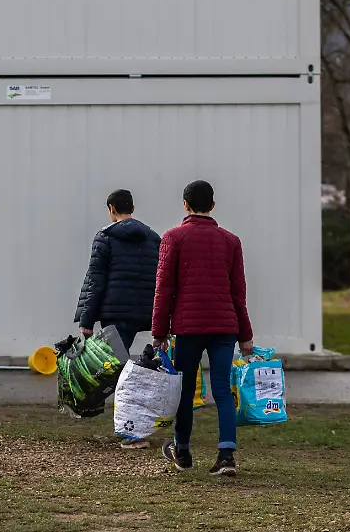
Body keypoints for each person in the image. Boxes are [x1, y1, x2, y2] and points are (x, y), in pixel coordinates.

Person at [152, 180, 253, 476]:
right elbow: (238, 293)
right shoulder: (231, 241)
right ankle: (226, 456)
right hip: (224, 327)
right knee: (222, 390)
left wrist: (159, 332)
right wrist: (245, 335)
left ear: (185, 204)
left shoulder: (173, 237)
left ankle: (181, 450)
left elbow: (164, 288)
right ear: (213, 204)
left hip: (188, 327)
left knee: (184, 391)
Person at [75, 189, 161, 449]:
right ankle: (132, 428)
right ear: (132, 207)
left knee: (118, 373)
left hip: (114, 313)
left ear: (112, 208)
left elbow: (95, 280)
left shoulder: (106, 237)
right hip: (142, 313)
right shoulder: (153, 238)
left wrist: (86, 319)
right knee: (126, 370)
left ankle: (132, 433)